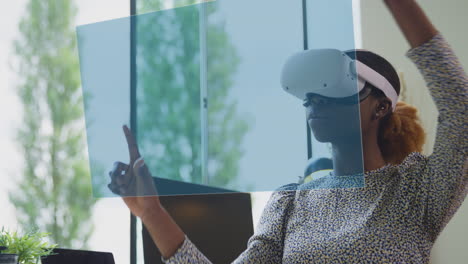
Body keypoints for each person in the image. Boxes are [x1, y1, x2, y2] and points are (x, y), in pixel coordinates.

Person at [108, 0, 467, 262]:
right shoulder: (291, 202)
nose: (315, 99)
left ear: (381, 106)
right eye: (311, 91)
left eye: (335, 85)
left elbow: (461, 110)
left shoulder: (415, 191)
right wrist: (152, 213)